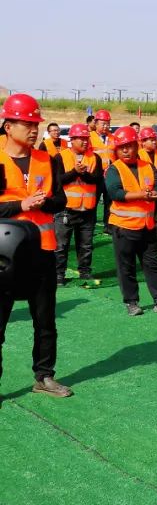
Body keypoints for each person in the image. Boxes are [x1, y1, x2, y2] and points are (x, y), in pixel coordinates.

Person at [0, 93, 73, 398]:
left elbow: (60, 199)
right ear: (8, 126)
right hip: (4, 255)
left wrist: (45, 202)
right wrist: (21, 203)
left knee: (45, 322)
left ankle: (44, 377)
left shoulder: (47, 158)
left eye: (36, 124)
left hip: (42, 250)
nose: (34, 129)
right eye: (27, 123)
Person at [105, 126, 157, 316]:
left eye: (129, 146)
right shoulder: (115, 169)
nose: (125, 150)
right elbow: (115, 192)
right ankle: (131, 301)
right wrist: (141, 195)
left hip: (147, 226)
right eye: (121, 147)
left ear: (135, 146)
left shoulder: (147, 166)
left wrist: (154, 192)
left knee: (152, 263)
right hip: (124, 227)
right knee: (126, 266)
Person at [54, 123, 103, 283]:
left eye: (86, 139)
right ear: (72, 140)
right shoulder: (60, 157)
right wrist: (75, 172)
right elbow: (57, 181)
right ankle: (59, 274)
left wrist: (83, 174)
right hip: (66, 210)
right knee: (61, 245)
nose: (84, 142)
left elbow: (97, 179)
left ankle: (85, 272)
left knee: (86, 245)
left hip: (88, 209)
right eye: (80, 139)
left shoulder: (95, 157)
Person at [138, 127, 157, 249]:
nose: (155, 142)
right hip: (144, 192)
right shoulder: (138, 154)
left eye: (155, 140)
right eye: (151, 140)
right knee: (144, 219)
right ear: (143, 142)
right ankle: (143, 243)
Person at [90, 109, 115, 232]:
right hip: (96, 175)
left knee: (109, 201)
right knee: (93, 201)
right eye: (103, 123)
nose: (106, 126)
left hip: (110, 175)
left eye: (107, 123)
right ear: (96, 123)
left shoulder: (113, 138)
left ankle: (108, 225)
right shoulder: (89, 137)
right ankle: (91, 224)